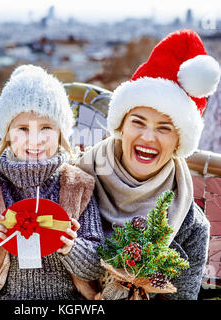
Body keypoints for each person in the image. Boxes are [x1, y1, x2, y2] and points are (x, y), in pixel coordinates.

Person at [0, 65, 104, 300]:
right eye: (23, 129)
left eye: (46, 127)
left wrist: (73, 248)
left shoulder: (78, 186)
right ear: (6, 134)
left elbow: (97, 265)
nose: (34, 140)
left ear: (61, 133)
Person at [76, 29, 220, 300]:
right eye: (138, 122)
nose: (148, 137)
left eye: (164, 128)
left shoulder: (189, 224)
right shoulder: (75, 183)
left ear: (179, 141)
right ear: (121, 124)